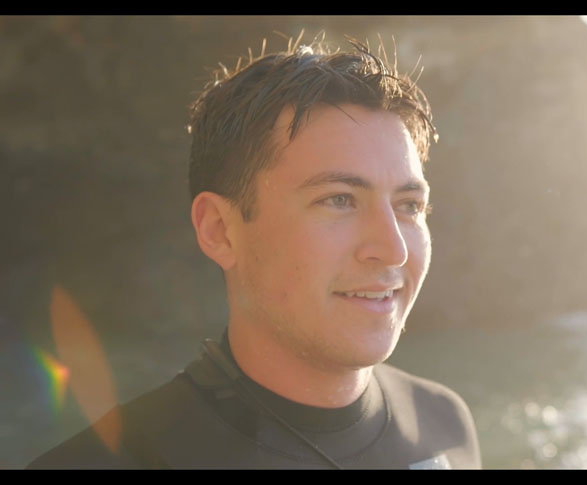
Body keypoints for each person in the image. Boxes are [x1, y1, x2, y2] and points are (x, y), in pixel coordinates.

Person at [28, 35, 481, 469]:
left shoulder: (445, 425)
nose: (393, 249)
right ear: (220, 230)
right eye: (338, 199)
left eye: (409, 206)